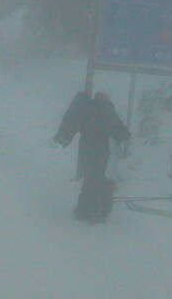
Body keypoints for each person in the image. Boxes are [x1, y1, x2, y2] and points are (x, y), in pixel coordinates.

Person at [52, 90, 130, 223]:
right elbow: (119, 131)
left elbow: (72, 123)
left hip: (85, 148)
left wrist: (63, 138)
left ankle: (84, 210)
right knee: (97, 178)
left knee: (89, 178)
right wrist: (125, 135)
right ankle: (95, 211)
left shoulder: (86, 108)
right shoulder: (107, 110)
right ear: (105, 98)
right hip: (100, 149)